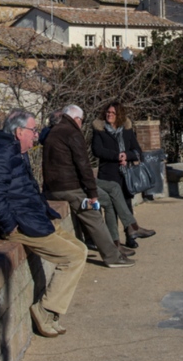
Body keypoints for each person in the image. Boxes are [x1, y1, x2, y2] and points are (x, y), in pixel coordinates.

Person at [0, 109, 86, 338]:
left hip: (36, 219)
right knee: (73, 257)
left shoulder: (16, 150)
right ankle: (45, 310)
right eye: (33, 130)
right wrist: (10, 226)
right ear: (19, 132)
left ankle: (50, 310)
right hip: (24, 225)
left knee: (81, 249)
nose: (36, 135)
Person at [41, 104, 134, 267]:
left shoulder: (53, 131)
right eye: (81, 121)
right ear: (76, 119)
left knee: (101, 204)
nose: (81, 125)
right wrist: (92, 193)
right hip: (69, 187)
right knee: (94, 216)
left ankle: (109, 244)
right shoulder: (72, 133)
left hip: (52, 188)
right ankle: (112, 257)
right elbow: (83, 165)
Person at [91, 102, 155, 246]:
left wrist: (126, 156)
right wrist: (117, 156)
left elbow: (137, 150)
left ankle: (131, 236)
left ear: (119, 115)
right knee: (111, 209)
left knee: (127, 204)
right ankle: (114, 241)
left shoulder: (126, 130)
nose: (109, 115)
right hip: (108, 174)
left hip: (125, 175)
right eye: (108, 112)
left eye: (113, 113)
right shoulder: (99, 130)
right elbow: (97, 150)